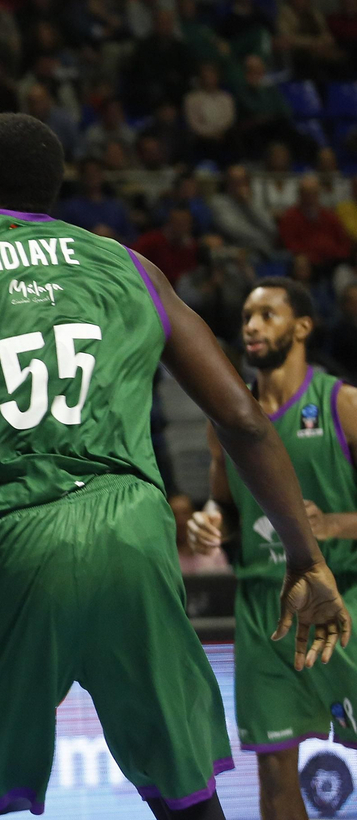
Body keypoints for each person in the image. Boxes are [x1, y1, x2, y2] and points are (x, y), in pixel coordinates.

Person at [0, 112, 351, 820]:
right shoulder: (130, 265)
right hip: (131, 534)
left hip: (12, 540)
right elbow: (244, 420)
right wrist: (305, 558)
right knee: (186, 796)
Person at [189, 278, 357, 820]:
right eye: (246, 315)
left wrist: (328, 525)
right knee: (275, 771)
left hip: (343, 599)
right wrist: (209, 526)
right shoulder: (228, 422)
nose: (252, 326)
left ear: (303, 326)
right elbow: (225, 510)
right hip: (266, 612)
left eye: (267, 314)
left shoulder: (343, 405)